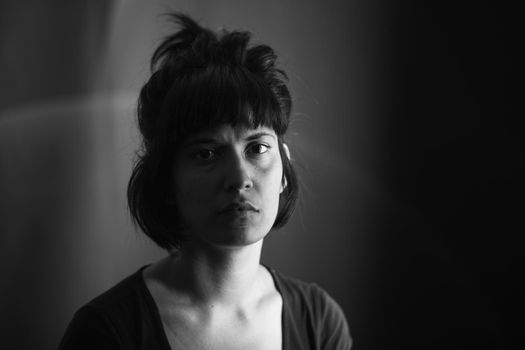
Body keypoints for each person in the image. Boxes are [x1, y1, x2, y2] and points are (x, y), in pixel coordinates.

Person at [59, 13, 352, 350]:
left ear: (284, 167)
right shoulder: (107, 332)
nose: (240, 178)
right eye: (207, 154)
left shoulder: (319, 321)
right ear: (166, 180)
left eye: (257, 148)